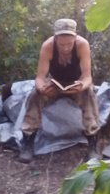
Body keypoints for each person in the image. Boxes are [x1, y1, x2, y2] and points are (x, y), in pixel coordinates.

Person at [18, 18, 100, 163]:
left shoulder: (82, 45)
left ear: (75, 38)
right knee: (35, 95)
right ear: (55, 38)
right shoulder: (47, 46)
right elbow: (39, 77)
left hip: (76, 84)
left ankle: (93, 144)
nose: (65, 48)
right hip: (55, 84)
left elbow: (87, 77)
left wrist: (81, 85)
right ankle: (28, 140)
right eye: (61, 44)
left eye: (69, 43)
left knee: (89, 94)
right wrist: (42, 88)